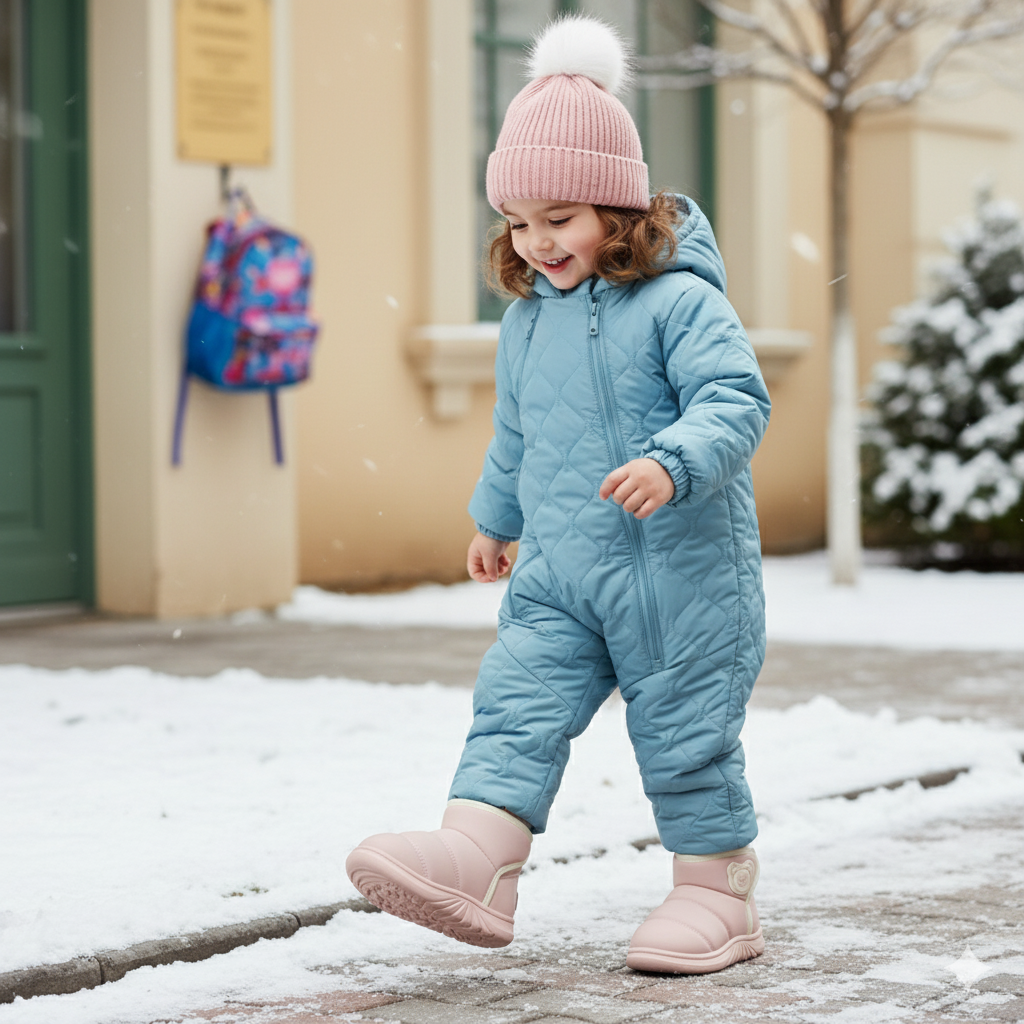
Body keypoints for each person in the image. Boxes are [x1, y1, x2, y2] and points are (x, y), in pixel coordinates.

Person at [347, 14, 770, 975]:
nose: (537, 243)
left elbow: (735, 396)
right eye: (518, 223)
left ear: (619, 210)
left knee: (685, 729)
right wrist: (498, 517)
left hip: (681, 570)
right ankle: (480, 858)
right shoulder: (528, 323)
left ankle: (717, 888)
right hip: (563, 569)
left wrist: (674, 459)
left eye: (560, 219)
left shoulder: (681, 303)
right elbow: (520, 433)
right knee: (516, 701)